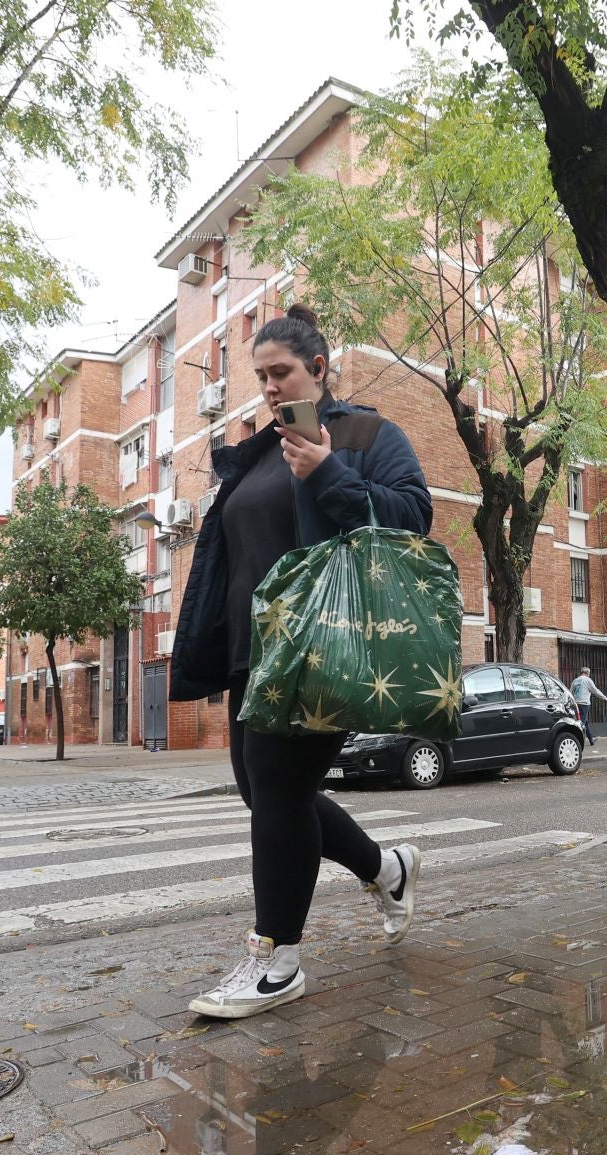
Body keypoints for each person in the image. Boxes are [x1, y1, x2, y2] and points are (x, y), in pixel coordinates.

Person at [169, 303, 436, 1019]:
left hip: (323, 646)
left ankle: (276, 959)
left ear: (318, 369)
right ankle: (387, 868)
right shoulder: (256, 454)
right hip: (250, 654)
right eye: (260, 376)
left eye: (281, 372)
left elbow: (413, 517)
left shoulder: (366, 435)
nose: (270, 387)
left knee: (280, 794)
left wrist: (329, 475)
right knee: (267, 798)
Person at [569, 667, 607, 747]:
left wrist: (570, 704)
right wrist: (604, 698)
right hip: (584, 704)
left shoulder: (575, 681)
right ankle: (578, 743)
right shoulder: (587, 680)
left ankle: (591, 739)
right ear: (587, 673)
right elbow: (595, 690)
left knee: (584, 722)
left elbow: (570, 693)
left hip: (575, 704)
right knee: (582, 723)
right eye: (589, 674)